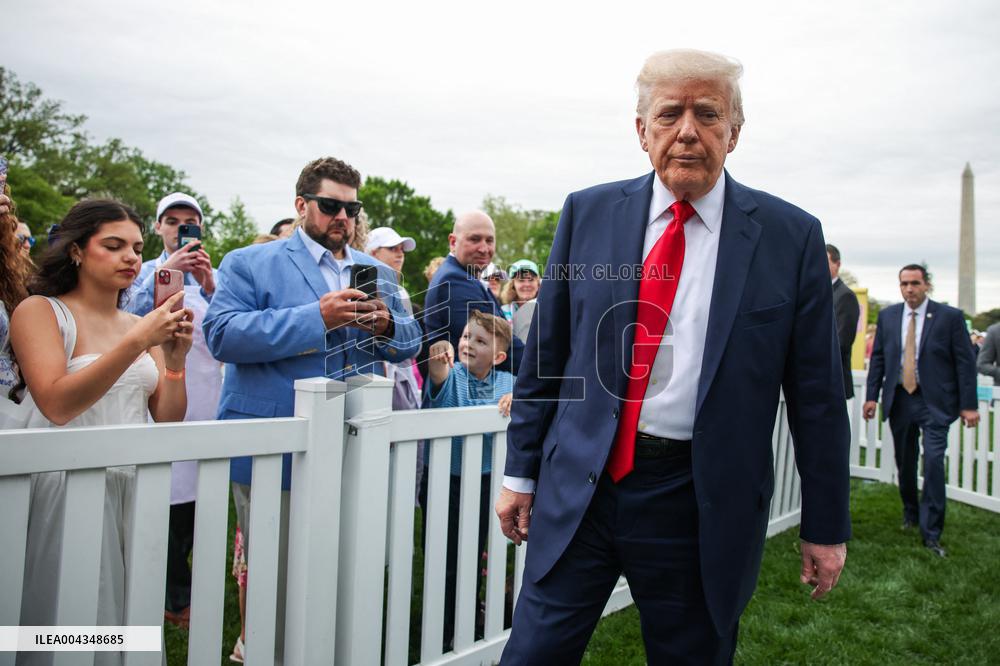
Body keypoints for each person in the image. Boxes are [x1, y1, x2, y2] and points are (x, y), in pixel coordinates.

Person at [496, 49, 851, 664]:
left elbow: (817, 397)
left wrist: (825, 524)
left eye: (708, 113)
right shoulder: (587, 213)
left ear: (734, 132)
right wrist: (520, 472)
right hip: (581, 488)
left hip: (699, 503)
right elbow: (548, 356)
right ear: (642, 130)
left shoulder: (790, 238)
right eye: (669, 114)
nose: (688, 130)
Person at [203, 156, 421, 660]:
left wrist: (388, 326)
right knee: (275, 582)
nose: (342, 217)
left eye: (351, 207)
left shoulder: (374, 272)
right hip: (274, 449)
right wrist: (315, 318)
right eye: (330, 206)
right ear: (301, 206)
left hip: (354, 452)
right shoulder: (250, 262)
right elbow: (221, 334)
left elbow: (410, 341)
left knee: (345, 572)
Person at [11, 199, 193, 666]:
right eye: (113, 246)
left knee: (127, 621)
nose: (131, 257)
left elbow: (168, 418)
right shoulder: (40, 312)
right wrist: (138, 342)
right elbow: (56, 402)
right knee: (72, 623)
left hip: (134, 487)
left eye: (136, 247)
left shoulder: (139, 324)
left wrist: (174, 363)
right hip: (68, 488)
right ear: (76, 251)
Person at [126, 192, 221, 628]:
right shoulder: (140, 275)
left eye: (191, 221)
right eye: (173, 220)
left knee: (203, 508)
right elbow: (125, 316)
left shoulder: (214, 279)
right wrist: (169, 272)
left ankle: (190, 590)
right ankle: (169, 595)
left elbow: (228, 336)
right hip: (159, 403)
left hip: (207, 405)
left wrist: (208, 287)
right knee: (164, 504)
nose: (181, 227)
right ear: (158, 227)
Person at [864, 265, 980, 557]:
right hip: (901, 399)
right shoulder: (889, 317)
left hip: (934, 403)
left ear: (926, 285)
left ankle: (931, 533)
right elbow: (878, 359)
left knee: (933, 463)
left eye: (915, 283)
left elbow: (965, 363)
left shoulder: (949, 318)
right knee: (905, 462)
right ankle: (910, 513)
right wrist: (871, 397)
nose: (909, 289)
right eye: (904, 284)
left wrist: (969, 405)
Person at [424, 310, 514, 648]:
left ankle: (472, 615)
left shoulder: (508, 382)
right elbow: (437, 371)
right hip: (448, 481)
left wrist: (517, 399)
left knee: (475, 552)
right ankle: (445, 628)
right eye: (466, 337)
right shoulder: (453, 376)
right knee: (445, 554)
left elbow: (531, 399)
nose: (469, 344)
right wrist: (439, 351)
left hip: (486, 482)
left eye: (480, 341)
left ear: (499, 356)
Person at [422, 211, 523, 375]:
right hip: (465, 395)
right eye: (475, 239)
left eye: (489, 240)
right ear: (453, 242)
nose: (484, 249)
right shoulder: (454, 280)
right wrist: (543, 368)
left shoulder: (466, 276)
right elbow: (495, 343)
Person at [827, 244, 860, 399]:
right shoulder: (817, 292)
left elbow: (842, 342)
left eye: (824, 261)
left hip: (832, 381)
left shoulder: (845, 296)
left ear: (837, 264)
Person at [501, 259, 540, 343]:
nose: (527, 284)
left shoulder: (548, 309)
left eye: (531, 280)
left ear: (538, 283)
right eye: (521, 280)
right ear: (513, 285)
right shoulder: (503, 312)